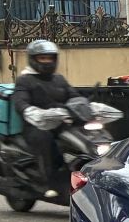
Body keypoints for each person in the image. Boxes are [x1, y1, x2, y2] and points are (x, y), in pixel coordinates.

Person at [12, 39, 82, 198]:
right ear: (33, 59)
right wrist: (29, 110)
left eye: (49, 58)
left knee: (80, 135)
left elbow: (73, 95)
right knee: (45, 139)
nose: (47, 61)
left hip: (59, 122)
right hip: (36, 126)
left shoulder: (59, 79)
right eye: (42, 58)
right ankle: (48, 182)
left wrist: (83, 104)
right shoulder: (25, 79)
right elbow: (20, 101)